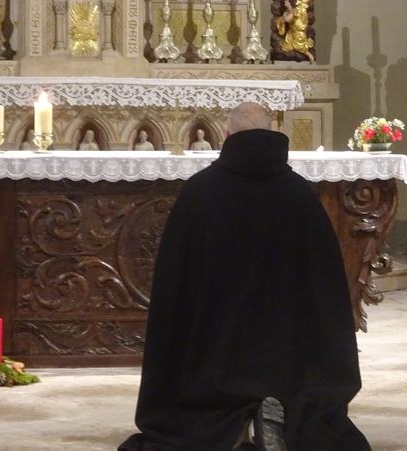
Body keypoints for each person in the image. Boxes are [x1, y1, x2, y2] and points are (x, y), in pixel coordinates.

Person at [118, 102, 370, 451]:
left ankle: (229, 421)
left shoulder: (200, 192)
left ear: (227, 135)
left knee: (204, 398)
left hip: (214, 353)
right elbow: (325, 288)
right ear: (272, 132)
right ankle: (275, 409)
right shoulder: (299, 195)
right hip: (285, 350)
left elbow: (174, 285)